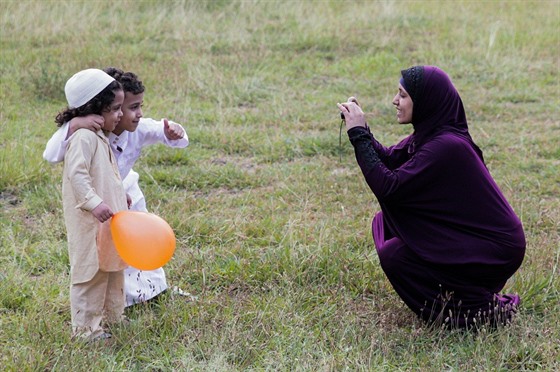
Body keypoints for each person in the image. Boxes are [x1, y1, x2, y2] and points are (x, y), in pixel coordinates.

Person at [337, 65, 526, 329]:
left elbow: (388, 186)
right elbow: (390, 159)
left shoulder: (445, 146)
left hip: (495, 248)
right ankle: (469, 298)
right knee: (385, 224)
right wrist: (361, 128)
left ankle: (480, 313)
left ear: (425, 101)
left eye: (402, 95)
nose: (395, 100)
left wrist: (358, 136)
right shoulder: (430, 135)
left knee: (395, 254)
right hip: (476, 239)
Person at [44, 67, 189, 307]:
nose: (139, 114)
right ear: (111, 106)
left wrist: (175, 131)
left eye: (140, 106)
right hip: (99, 199)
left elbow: (164, 131)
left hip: (129, 192)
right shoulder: (90, 132)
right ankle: (126, 298)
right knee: (113, 249)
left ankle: (156, 289)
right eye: (132, 107)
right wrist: (75, 123)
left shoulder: (138, 128)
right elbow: (51, 154)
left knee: (143, 242)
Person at [56, 68, 127, 341]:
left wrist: (122, 196)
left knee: (112, 268)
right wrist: (93, 202)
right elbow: (78, 175)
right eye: (115, 109)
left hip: (108, 220)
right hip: (90, 222)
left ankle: (112, 319)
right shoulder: (83, 138)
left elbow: (106, 175)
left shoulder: (100, 137)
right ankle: (86, 330)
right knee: (91, 273)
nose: (119, 115)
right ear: (95, 109)